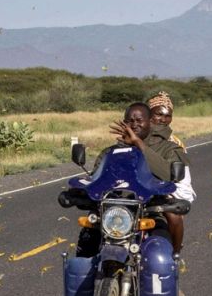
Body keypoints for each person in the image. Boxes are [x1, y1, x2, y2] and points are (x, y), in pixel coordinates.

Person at [75, 102, 192, 256]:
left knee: (169, 231)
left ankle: (175, 256)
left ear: (150, 121)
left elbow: (167, 174)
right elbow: (96, 178)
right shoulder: (111, 151)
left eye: (139, 120)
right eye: (130, 121)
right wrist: (81, 192)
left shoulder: (168, 148)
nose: (134, 124)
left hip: (151, 207)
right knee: (86, 242)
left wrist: (138, 143)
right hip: (114, 210)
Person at [146, 91, 193, 254]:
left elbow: (182, 180)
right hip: (136, 190)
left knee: (173, 216)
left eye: (168, 116)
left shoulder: (175, 143)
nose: (163, 119)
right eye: (159, 114)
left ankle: (175, 253)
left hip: (164, 191)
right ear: (149, 115)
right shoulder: (136, 134)